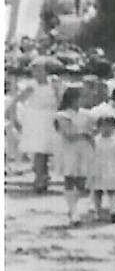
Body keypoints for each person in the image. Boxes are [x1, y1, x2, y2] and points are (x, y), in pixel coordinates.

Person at [8, 55, 61, 193]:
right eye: (34, 71)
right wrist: (15, 118)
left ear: (46, 71)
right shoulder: (32, 86)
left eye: (39, 70)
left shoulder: (54, 83)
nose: (36, 73)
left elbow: (59, 100)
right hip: (36, 119)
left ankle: (44, 175)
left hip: (50, 117)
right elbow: (17, 100)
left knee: (47, 150)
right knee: (38, 150)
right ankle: (39, 178)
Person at [52, 84, 95, 225]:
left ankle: (79, 208)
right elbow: (68, 134)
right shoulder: (62, 115)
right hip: (69, 150)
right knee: (70, 179)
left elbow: (92, 132)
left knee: (83, 181)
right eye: (80, 97)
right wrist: (83, 133)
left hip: (85, 149)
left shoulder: (88, 114)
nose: (82, 100)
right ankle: (72, 210)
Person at [89, 111, 115, 223]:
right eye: (103, 126)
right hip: (98, 167)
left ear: (114, 127)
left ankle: (113, 211)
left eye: (109, 126)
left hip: (112, 168)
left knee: (112, 191)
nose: (106, 129)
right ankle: (97, 211)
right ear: (99, 127)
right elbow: (91, 153)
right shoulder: (95, 140)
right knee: (97, 191)